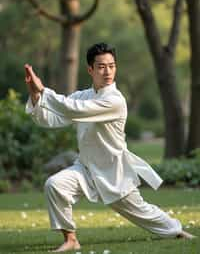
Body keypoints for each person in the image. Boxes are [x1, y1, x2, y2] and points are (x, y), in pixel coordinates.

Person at [25, 43, 195, 252]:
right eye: (101, 66)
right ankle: (71, 239)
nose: (108, 71)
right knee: (55, 185)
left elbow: (73, 109)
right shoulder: (83, 96)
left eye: (112, 66)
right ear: (90, 70)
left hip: (114, 173)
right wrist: (35, 96)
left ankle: (177, 231)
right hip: (85, 168)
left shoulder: (115, 100)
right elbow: (51, 119)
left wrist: (44, 90)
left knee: (144, 213)